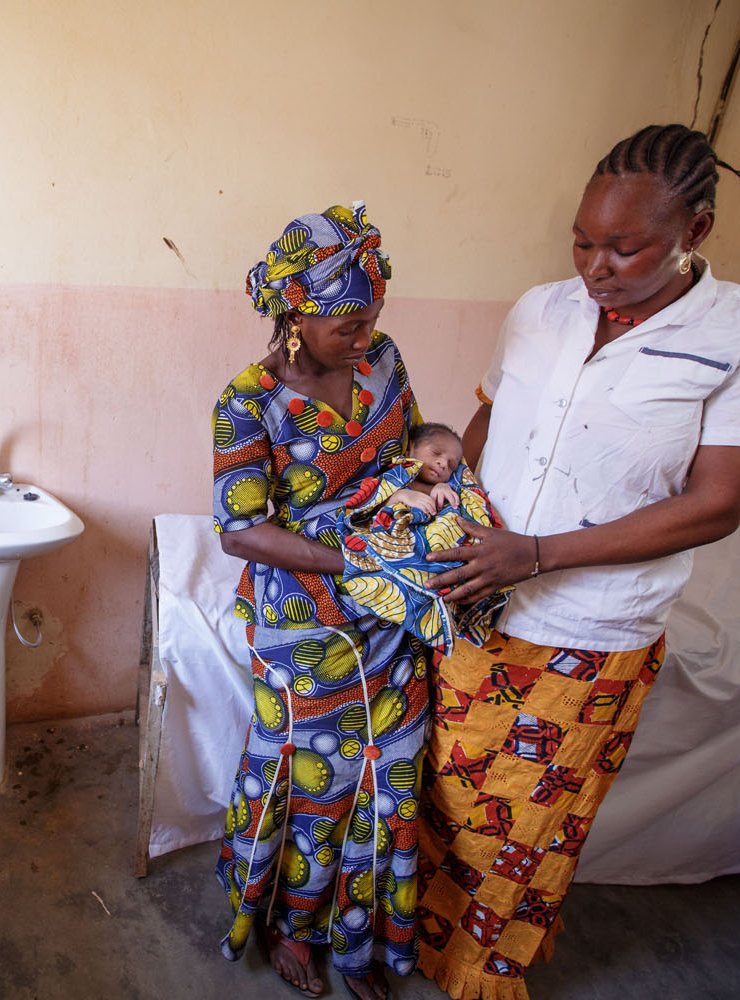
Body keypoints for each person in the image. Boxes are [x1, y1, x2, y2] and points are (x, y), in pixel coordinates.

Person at [413, 124, 740, 1000]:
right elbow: (492, 419)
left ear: (695, 232)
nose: (597, 266)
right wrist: (452, 502)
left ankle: (483, 968)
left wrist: (540, 554)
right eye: (584, 242)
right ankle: (416, 935)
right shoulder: (540, 308)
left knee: (527, 821)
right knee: (444, 788)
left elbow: (716, 504)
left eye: (626, 248)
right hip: (474, 595)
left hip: (591, 631)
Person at [212, 202, 422, 1000]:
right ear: (295, 318)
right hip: (303, 622)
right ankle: (294, 929)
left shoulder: (384, 363)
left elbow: (414, 444)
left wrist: (441, 474)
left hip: (393, 611)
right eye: (347, 325)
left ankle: (360, 939)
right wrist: (351, 562)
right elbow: (240, 531)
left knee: (387, 779)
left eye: (372, 319)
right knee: (316, 782)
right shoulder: (248, 401)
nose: (364, 337)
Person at [339, 421, 511, 658]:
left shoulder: (447, 487)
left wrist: (444, 492)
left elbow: (460, 515)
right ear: (410, 450)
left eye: (451, 464)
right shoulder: (394, 480)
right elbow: (361, 514)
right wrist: (401, 496)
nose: (443, 463)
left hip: (432, 559)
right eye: (436, 453)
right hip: (392, 551)